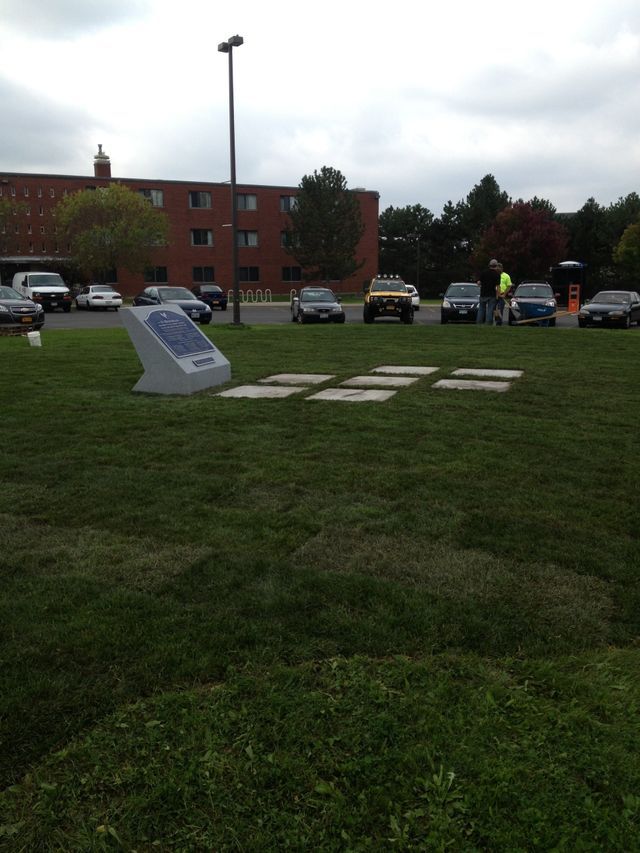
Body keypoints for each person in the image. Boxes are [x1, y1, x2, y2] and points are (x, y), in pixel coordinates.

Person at [477, 259, 501, 324]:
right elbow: (498, 286)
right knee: (490, 310)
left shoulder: (483, 272)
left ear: (489, 265)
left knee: (481, 309)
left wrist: (482, 284)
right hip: (491, 295)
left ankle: (479, 323)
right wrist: (499, 295)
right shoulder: (497, 274)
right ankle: (488, 323)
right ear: (496, 266)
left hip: (483, 293)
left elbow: (478, 283)